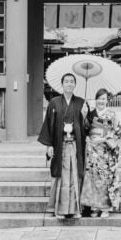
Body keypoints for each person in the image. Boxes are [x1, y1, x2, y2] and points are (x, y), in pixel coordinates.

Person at [38, 73, 90, 219]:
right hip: (60, 144)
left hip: (75, 145)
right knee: (61, 177)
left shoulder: (81, 102)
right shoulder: (54, 102)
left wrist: (85, 116)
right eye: (66, 81)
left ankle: (74, 210)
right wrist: (49, 145)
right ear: (62, 84)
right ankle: (59, 210)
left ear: (75, 85)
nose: (69, 84)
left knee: (74, 176)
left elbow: (87, 127)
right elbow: (48, 124)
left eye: (72, 81)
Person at [81, 88, 121, 218]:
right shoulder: (91, 114)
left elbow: (117, 132)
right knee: (93, 179)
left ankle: (105, 207)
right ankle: (94, 206)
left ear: (107, 100)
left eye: (104, 99)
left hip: (105, 152)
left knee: (104, 178)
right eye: (99, 98)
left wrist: (104, 139)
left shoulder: (112, 115)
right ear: (96, 99)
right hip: (93, 151)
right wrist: (84, 116)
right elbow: (85, 130)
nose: (101, 101)